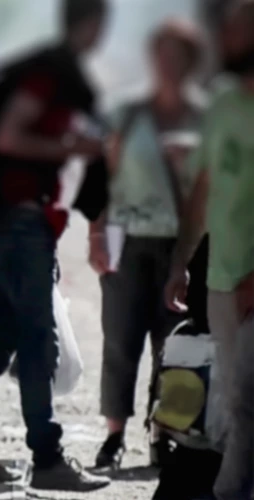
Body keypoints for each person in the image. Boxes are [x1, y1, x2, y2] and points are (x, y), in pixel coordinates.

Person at [0, 0, 111, 492]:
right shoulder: (48, 74)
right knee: (38, 342)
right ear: (90, 24)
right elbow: (8, 137)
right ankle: (47, 458)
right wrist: (73, 150)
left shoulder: (53, 71)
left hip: (19, 222)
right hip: (21, 223)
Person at [88, 19, 205, 471]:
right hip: (128, 239)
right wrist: (97, 232)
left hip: (184, 242)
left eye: (178, 56)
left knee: (173, 346)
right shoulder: (128, 114)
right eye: (162, 54)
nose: (169, 65)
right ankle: (114, 436)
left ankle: (165, 435)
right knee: (120, 340)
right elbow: (104, 178)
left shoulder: (204, 119)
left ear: (191, 63)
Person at [164, 3, 254, 498]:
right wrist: (183, 263)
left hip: (249, 285)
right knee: (234, 405)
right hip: (221, 280)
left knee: (247, 407)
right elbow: (203, 189)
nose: (227, 42)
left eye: (239, 33)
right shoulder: (223, 105)